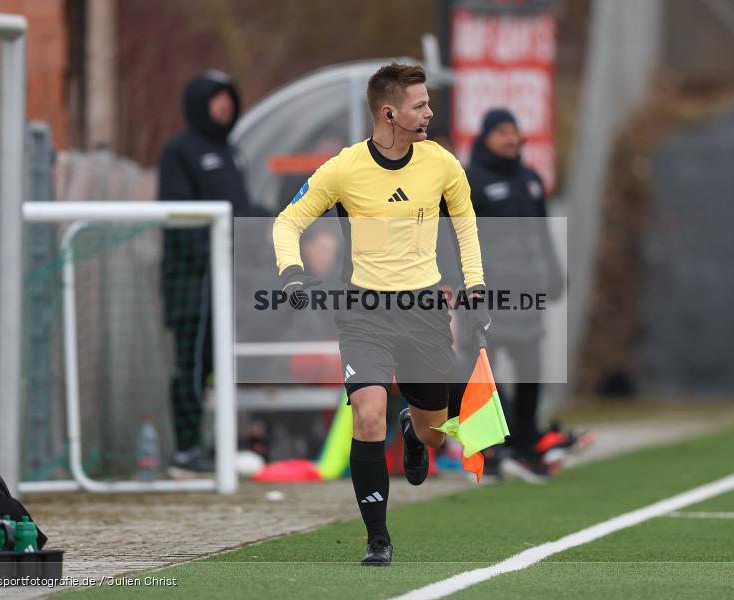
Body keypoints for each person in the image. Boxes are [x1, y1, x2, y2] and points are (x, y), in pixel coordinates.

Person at [272, 63, 489, 566]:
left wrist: (476, 287)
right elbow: (287, 223)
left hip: (425, 314)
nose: (430, 112)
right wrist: (293, 273)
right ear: (389, 113)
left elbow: (467, 229)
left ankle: (414, 430)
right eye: (420, 105)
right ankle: (377, 539)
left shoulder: (442, 164)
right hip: (363, 312)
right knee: (368, 416)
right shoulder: (344, 169)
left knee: (437, 432)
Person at [158, 70, 267, 478]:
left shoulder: (233, 153)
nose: (225, 105)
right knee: (191, 363)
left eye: (229, 98)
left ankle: (218, 445)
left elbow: (242, 209)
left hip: (227, 282)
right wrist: (210, 257)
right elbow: (178, 216)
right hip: (193, 282)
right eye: (216, 98)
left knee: (220, 361)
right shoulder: (179, 151)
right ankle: (186, 450)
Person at [464, 108, 567, 481]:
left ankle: (526, 443)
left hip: (527, 294)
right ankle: (497, 445)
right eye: (502, 132)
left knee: (530, 373)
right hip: (487, 294)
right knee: (482, 374)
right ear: (486, 137)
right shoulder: (469, 179)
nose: (510, 139)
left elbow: (542, 234)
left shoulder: (531, 180)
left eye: (514, 131)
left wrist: (554, 273)